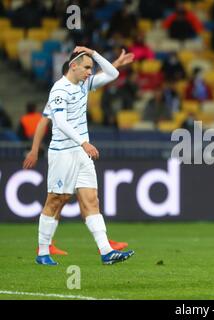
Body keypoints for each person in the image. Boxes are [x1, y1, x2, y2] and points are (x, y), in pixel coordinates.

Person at [24, 49, 135, 256]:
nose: (89, 73)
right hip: (64, 152)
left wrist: (94, 53)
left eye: (91, 69)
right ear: (73, 66)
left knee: (91, 199)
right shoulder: (58, 91)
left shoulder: (84, 84)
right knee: (57, 199)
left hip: (81, 152)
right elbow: (55, 121)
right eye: (87, 68)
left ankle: (106, 251)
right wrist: (34, 149)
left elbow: (112, 74)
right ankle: (43, 249)